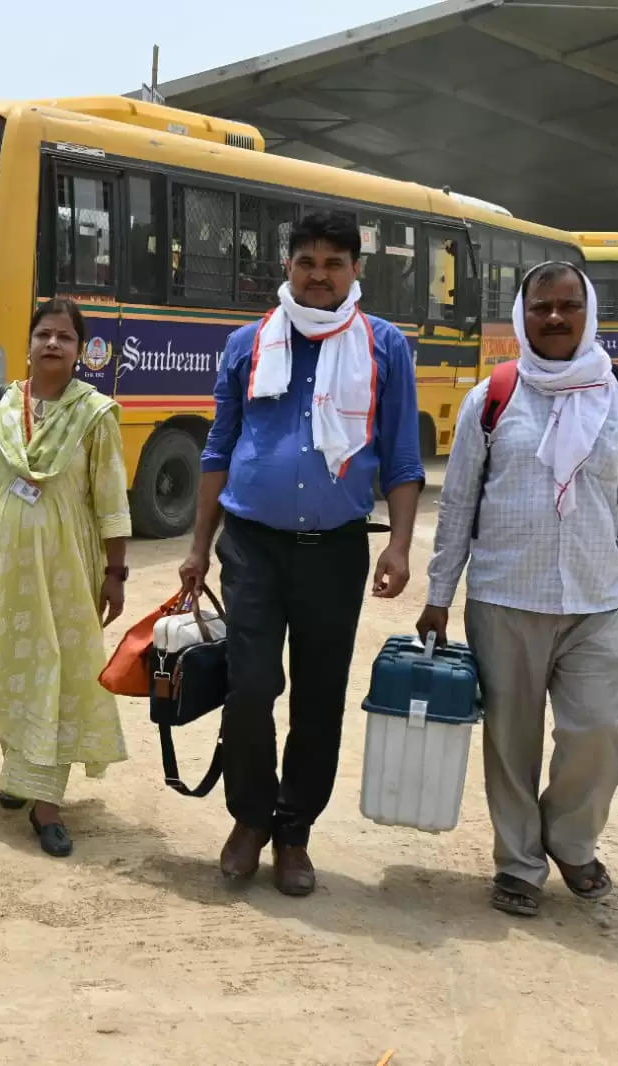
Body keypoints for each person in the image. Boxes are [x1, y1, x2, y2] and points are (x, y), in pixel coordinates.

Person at [179, 210, 425, 897]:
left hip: (335, 552)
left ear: (355, 272)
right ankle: (249, 820)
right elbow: (218, 448)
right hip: (251, 545)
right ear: (286, 268)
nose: (318, 276)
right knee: (249, 688)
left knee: (318, 699)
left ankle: (293, 832)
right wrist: (198, 547)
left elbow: (402, 458)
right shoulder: (246, 343)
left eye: (333, 264)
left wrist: (399, 546)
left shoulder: (384, 348)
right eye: (306, 263)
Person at [417, 261, 618, 918]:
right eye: (539, 308)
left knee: (599, 728)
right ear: (521, 318)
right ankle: (519, 864)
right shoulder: (492, 398)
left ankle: (570, 839)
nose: (553, 319)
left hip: (594, 602)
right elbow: (458, 505)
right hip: (505, 597)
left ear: (588, 313)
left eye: (566, 306)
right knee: (511, 742)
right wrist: (438, 593)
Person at [0, 299, 131, 857]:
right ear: (27, 343)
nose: (52, 344)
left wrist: (115, 573)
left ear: (80, 350)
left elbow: (112, 499)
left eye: (64, 337)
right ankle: (18, 771)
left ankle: (46, 802)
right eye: (43, 334)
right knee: (9, 660)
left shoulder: (95, 415)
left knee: (57, 670)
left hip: (65, 567)